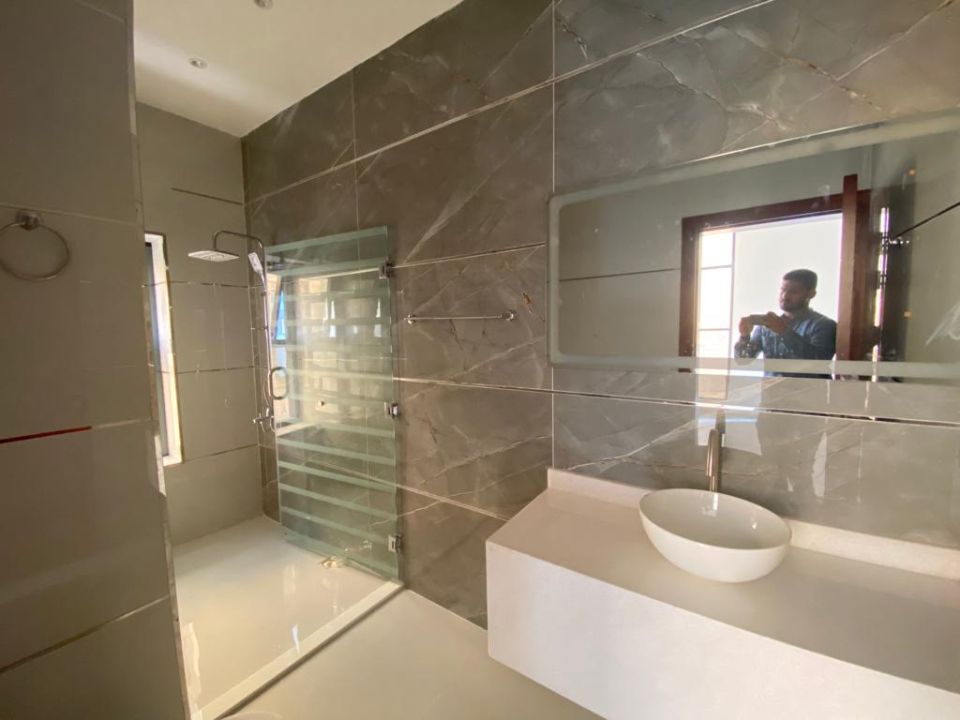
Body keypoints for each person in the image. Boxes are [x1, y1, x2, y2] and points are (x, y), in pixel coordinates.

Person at [735, 269, 837, 360]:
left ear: (811, 294)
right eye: (783, 290)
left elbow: (818, 361)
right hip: (771, 377)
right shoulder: (767, 325)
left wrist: (784, 331)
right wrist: (744, 335)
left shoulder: (824, 326)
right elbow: (743, 360)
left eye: (793, 292)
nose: (785, 296)